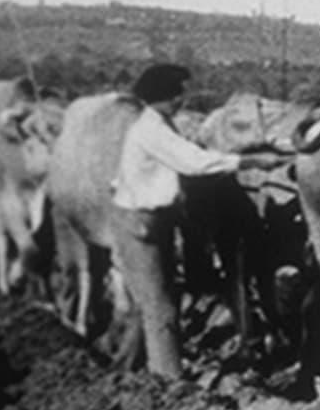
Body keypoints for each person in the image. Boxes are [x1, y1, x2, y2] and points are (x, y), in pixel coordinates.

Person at [111, 63, 289, 378]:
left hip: (153, 223)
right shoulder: (152, 129)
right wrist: (251, 160)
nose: (182, 99)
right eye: (177, 93)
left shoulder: (160, 124)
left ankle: (126, 372)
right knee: (160, 309)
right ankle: (169, 383)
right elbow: (193, 163)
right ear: (161, 96)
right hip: (141, 225)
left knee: (154, 304)